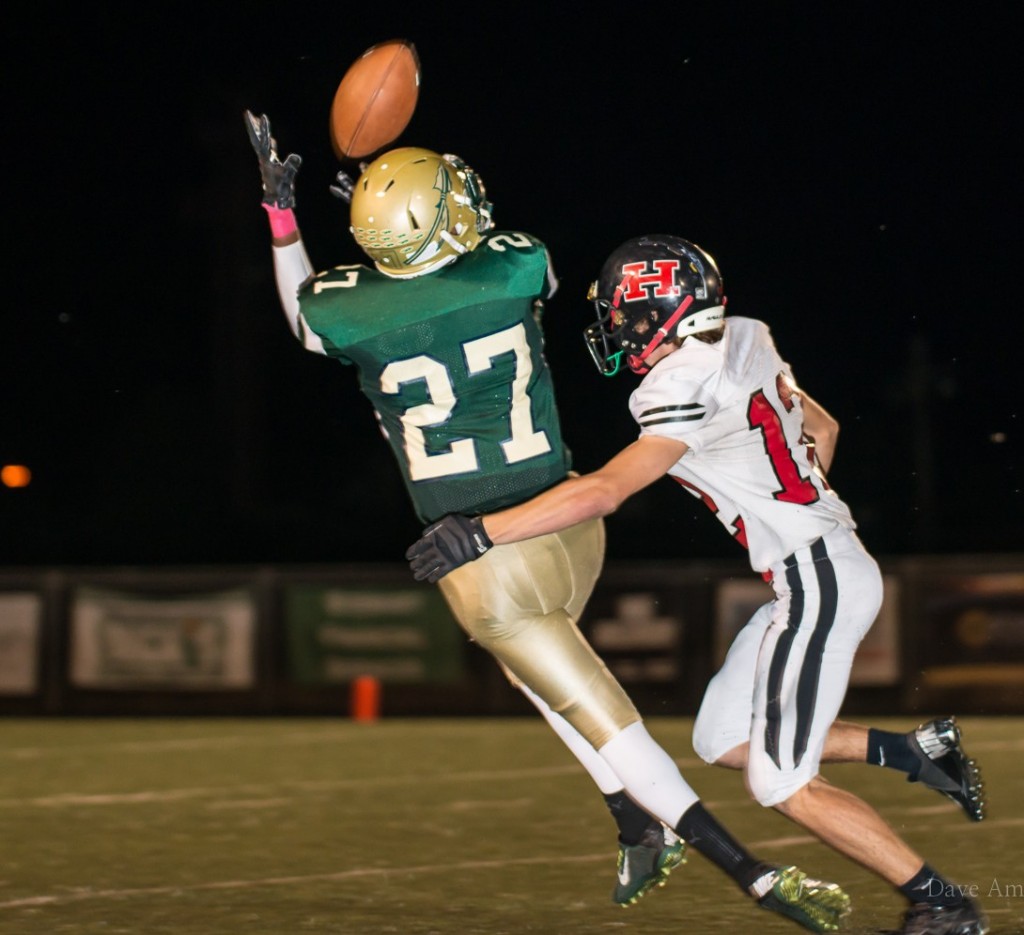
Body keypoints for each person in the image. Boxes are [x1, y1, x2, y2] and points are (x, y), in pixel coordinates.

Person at [244, 113, 852, 931]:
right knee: (540, 675)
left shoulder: (346, 309)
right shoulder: (515, 265)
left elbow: (302, 318)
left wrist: (286, 224)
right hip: (566, 524)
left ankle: (746, 871)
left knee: (599, 710)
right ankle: (632, 820)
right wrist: (408, 246)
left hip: (488, 561)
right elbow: (473, 259)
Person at [406, 234, 988, 935]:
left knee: (780, 782)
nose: (617, 330)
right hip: (814, 566)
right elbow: (823, 427)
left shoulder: (678, 384)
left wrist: (482, 532)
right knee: (720, 738)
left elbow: (607, 489)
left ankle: (943, 903)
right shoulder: (747, 335)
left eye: (626, 315)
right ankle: (918, 751)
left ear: (665, 312)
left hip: (817, 576)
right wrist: (793, 501)